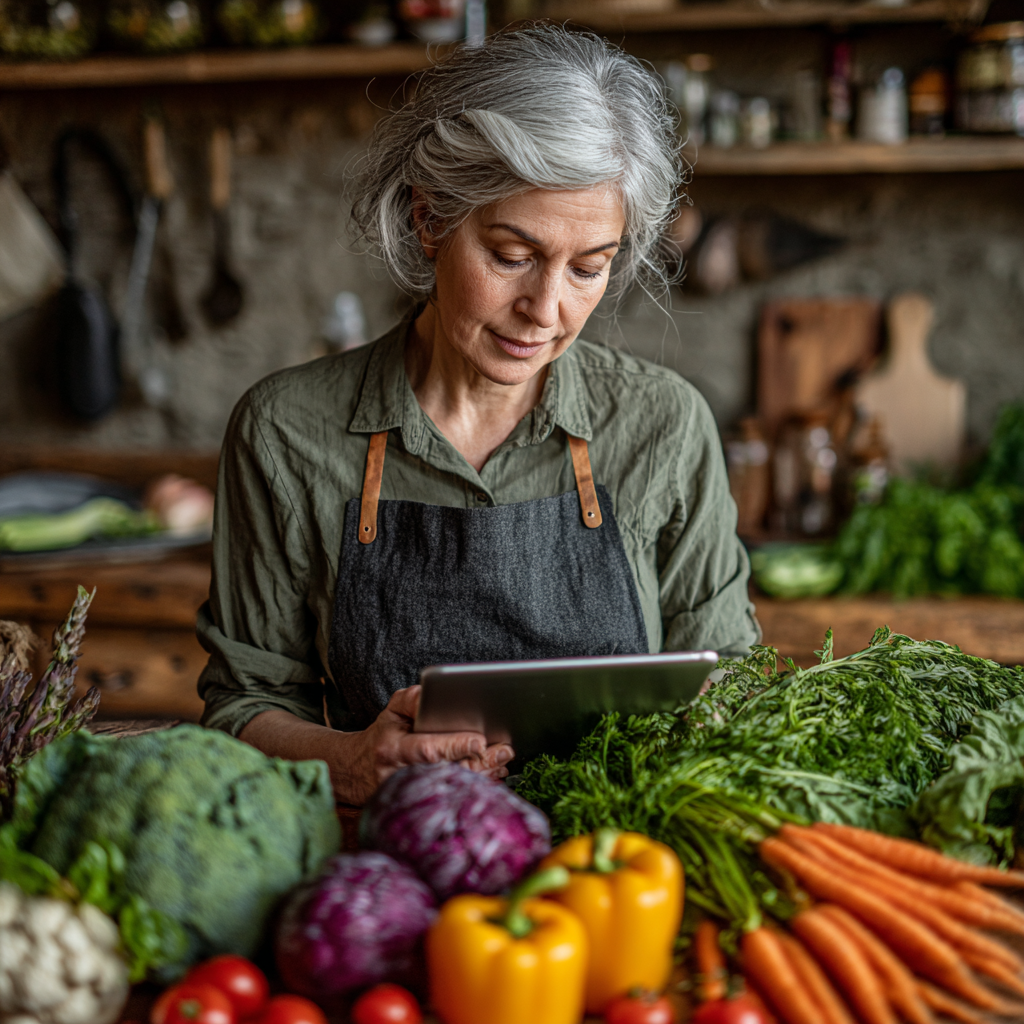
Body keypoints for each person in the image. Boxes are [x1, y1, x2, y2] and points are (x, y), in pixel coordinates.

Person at [197, 25, 760, 806]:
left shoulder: (663, 425)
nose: (545, 310)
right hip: (398, 860)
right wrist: (358, 761)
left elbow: (729, 677)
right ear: (431, 221)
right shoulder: (287, 431)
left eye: (588, 267)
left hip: (620, 874)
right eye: (512, 255)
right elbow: (244, 706)